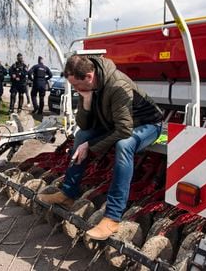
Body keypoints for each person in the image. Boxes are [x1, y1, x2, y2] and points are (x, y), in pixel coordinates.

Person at [38, 55, 163, 241]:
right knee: (80, 136)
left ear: (89, 76)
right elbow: (85, 126)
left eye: (76, 86)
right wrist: (86, 102)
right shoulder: (88, 87)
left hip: (148, 124)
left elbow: (124, 130)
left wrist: (92, 147)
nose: (75, 89)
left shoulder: (118, 85)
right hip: (116, 124)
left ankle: (112, 218)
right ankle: (68, 194)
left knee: (124, 145)